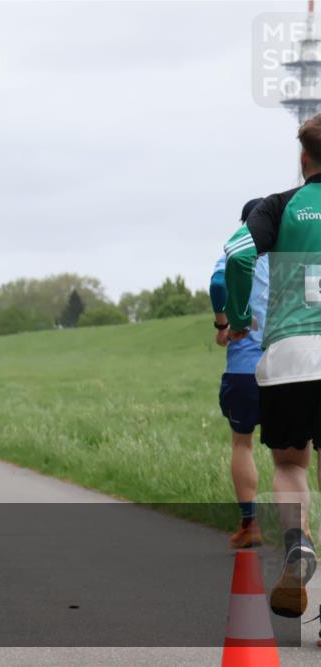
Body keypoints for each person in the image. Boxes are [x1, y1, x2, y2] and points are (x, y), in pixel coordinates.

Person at [223, 113, 321, 619]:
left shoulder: (279, 205)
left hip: (290, 358)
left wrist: (238, 318)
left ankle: (297, 544)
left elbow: (239, 255)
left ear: (304, 159)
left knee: (288, 464)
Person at [210, 198, 268, 549]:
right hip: (290, 363)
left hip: (245, 369)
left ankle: (251, 524)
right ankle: (300, 532)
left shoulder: (236, 248)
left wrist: (222, 324)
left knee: (242, 443)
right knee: (294, 455)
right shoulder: (284, 253)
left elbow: (218, 285)